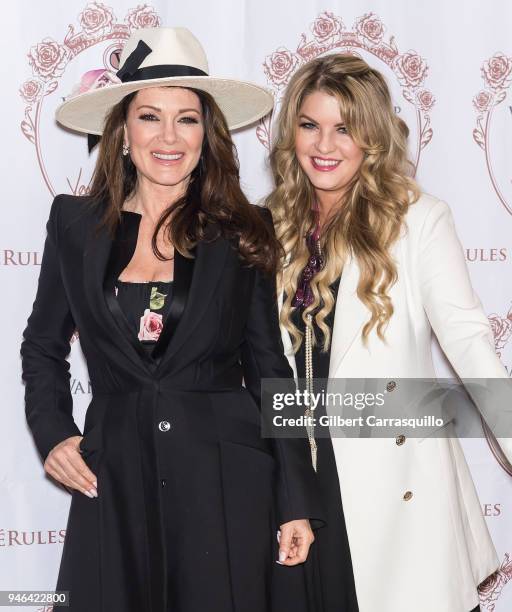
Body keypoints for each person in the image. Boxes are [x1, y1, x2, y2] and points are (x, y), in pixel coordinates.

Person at [21, 27, 326, 612]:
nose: (168, 137)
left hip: (224, 483)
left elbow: (271, 370)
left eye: (187, 119)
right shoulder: (73, 223)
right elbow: (42, 344)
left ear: (206, 135)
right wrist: (54, 429)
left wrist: (294, 497)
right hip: (114, 480)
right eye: (149, 116)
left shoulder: (243, 230)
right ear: (122, 130)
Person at [265, 53, 512, 612]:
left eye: (345, 128)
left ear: (372, 138)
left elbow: (470, 342)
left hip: (394, 478)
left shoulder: (418, 219)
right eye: (310, 125)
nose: (325, 145)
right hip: (299, 483)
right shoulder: (269, 223)